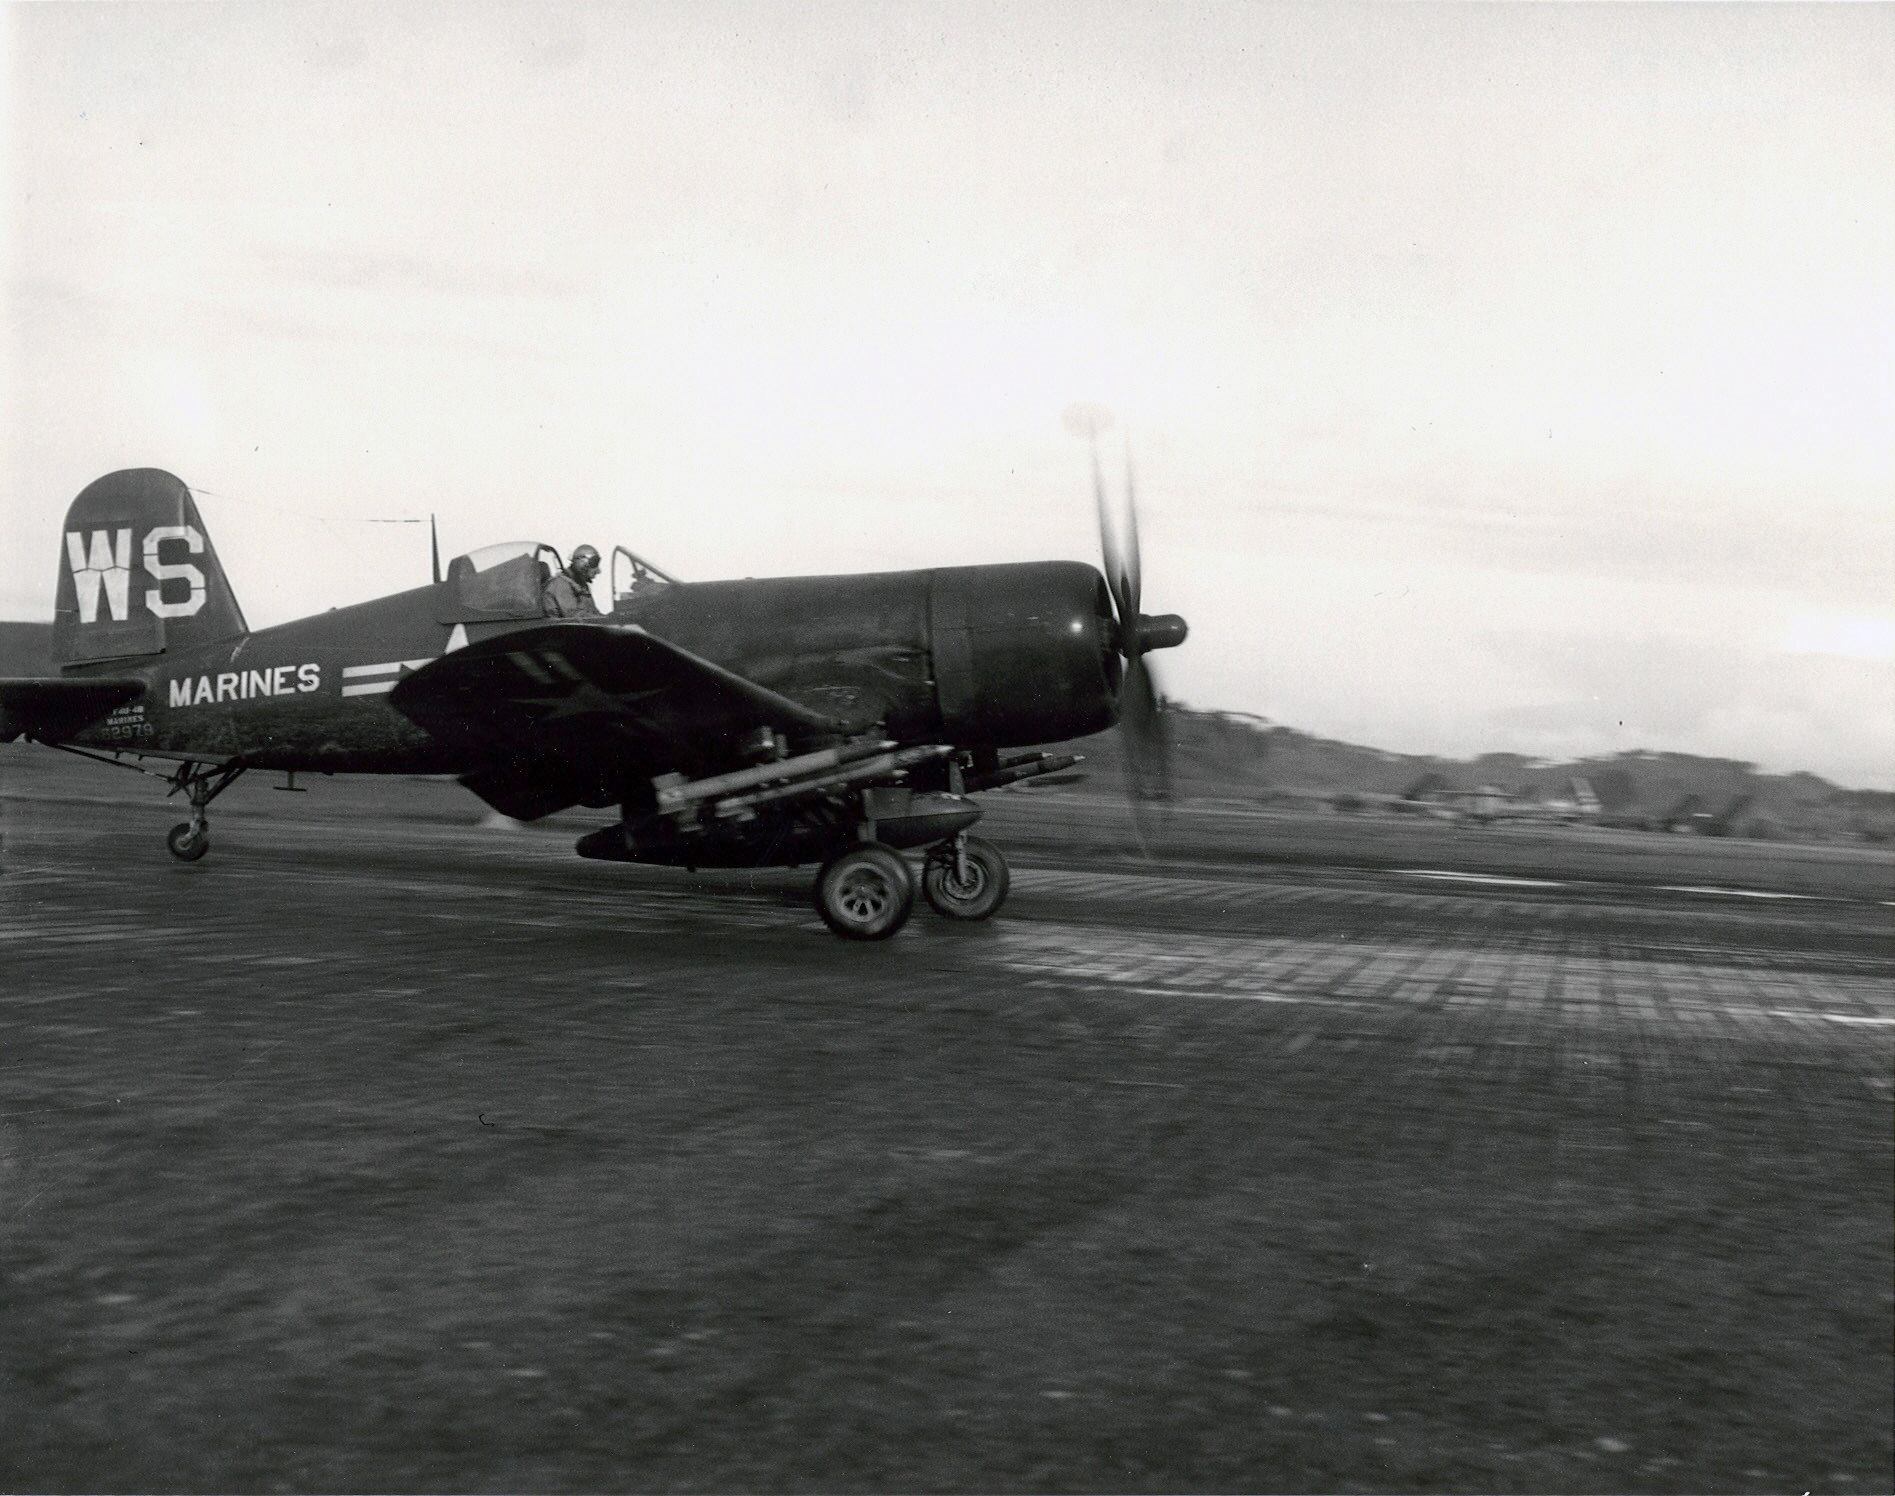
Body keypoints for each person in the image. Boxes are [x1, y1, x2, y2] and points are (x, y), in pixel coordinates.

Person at [543, 544, 602, 618]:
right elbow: (573, 616)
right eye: (594, 563)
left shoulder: (581, 585)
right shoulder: (560, 584)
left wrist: (609, 619)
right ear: (583, 563)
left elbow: (594, 612)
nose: (599, 570)